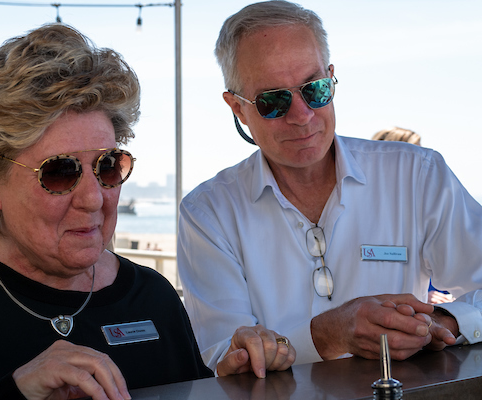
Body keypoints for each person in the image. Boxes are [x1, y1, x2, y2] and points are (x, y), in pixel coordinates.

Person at [177, 0, 482, 375]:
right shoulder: (208, 212)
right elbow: (224, 355)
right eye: (274, 101)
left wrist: (444, 323)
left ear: (332, 79)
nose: (302, 116)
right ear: (237, 108)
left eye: (315, 89)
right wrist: (326, 335)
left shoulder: (417, 174)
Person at [0, 24, 212, 399]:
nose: (93, 198)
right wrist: (15, 392)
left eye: (107, 166)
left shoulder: (153, 298)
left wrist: (235, 383)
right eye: (59, 171)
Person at [371, 127, 454, 305]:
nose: (421, 165)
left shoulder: (430, 212)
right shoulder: (369, 217)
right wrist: (425, 298)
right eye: (413, 154)